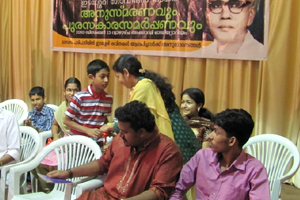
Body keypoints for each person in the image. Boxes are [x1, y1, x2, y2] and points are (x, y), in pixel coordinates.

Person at [48, 100, 183, 200]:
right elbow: (103, 163)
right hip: (105, 196)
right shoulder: (121, 140)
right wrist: (68, 173)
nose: (120, 135)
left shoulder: (168, 151)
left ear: (141, 132)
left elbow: (159, 192)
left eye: (124, 131)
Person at [102, 54, 200, 164]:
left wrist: (111, 127)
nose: (119, 81)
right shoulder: (145, 84)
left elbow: (131, 119)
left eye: (118, 76)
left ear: (126, 72)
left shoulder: (143, 87)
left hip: (175, 137)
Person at [170, 108, 270, 200]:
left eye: (216, 132)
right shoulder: (202, 157)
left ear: (231, 141)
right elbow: (177, 190)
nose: (209, 136)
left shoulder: (254, 170)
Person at [34, 77, 81, 193]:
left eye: (75, 90)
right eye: (69, 90)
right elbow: (55, 125)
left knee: (61, 162)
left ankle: (64, 191)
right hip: (62, 141)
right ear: (64, 92)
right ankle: (49, 190)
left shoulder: (83, 107)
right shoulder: (62, 107)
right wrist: (55, 137)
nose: (72, 93)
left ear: (80, 92)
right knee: (38, 158)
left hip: (78, 143)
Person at [194, 0, 264, 58]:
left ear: (250, 15)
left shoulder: (261, 53)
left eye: (235, 5)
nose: (225, 15)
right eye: (216, 6)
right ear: (207, 15)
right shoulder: (197, 56)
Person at [64, 59, 113, 140]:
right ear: (91, 77)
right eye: (102, 77)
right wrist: (87, 130)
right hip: (77, 142)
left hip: (97, 141)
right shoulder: (79, 97)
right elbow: (67, 120)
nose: (106, 80)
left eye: (108, 76)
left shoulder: (109, 99)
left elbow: (103, 119)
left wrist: (108, 128)